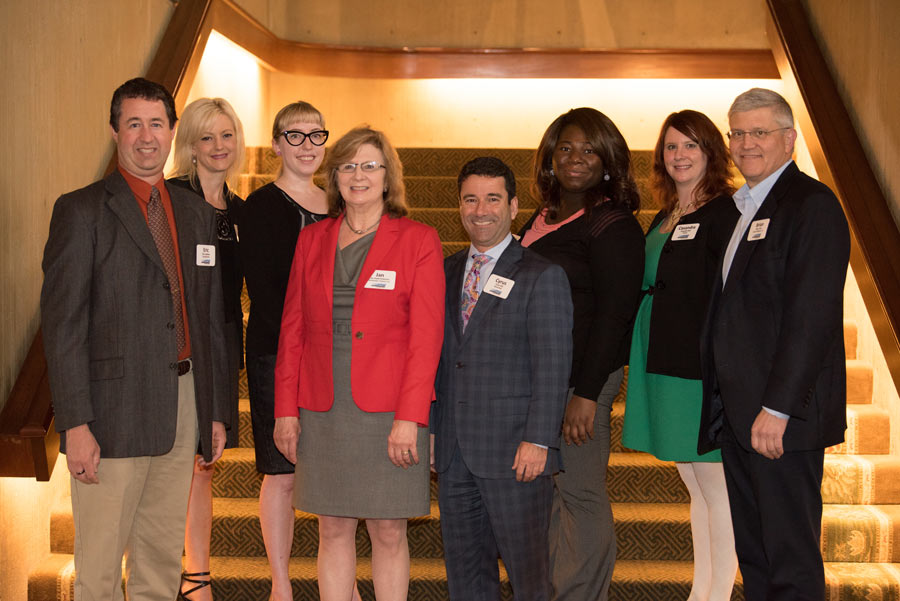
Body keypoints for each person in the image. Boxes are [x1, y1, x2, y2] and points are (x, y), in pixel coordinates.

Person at [40, 77, 229, 601]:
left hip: (183, 404)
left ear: (172, 133)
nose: (147, 137)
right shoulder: (80, 212)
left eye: (157, 124)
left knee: (162, 564)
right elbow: (64, 328)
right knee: (99, 571)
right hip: (109, 414)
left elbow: (209, 319)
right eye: (133, 124)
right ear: (114, 131)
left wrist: (213, 410)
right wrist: (75, 424)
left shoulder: (195, 213)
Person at [273, 126, 445, 601]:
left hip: (390, 409)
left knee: (389, 530)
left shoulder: (418, 240)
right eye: (347, 166)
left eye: (370, 165)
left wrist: (411, 418)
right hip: (323, 407)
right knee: (332, 529)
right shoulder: (312, 239)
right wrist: (285, 410)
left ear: (388, 177)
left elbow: (427, 338)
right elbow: (292, 333)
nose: (358, 175)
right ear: (334, 177)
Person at [698, 88, 850, 601]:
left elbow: (813, 318)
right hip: (741, 416)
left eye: (759, 132)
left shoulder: (811, 205)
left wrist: (778, 408)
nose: (745, 144)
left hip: (779, 419)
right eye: (737, 133)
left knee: (790, 560)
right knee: (757, 558)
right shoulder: (744, 207)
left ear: (789, 139)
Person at [433, 156, 573, 601]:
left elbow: (553, 365)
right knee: (466, 579)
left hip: (517, 455)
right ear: (459, 206)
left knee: (529, 579)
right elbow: (438, 361)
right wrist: (434, 431)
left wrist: (539, 439)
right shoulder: (444, 271)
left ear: (513, 207)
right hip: (455, 454)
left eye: (493, 199)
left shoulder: (542, 275)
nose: (481, 210)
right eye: (471, 199)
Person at [518, 108, 644, 601]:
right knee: (546, 492)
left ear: (608, 160)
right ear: (549, 156)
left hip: (580, 380)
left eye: (590, 149)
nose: (576, 158)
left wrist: (587, 395)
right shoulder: (543, 216)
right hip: (539, 379)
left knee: (579, 490)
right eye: (566, 147)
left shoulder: (612, 224)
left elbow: (616, 317)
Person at [621, 110, 740, 601]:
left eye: (690, 145)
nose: (679, 155)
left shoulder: (726, 211)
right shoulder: (665, 214)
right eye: (671, 147)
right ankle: (701, 590)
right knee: (694, 484)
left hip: (698, 363)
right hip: (660, 356)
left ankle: (717, 593)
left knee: (717, 487)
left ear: (711, 151)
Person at [238, 101, 330, 601]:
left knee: (332, 472)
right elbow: (268, 295)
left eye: (316, 135)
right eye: (295, 136)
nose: (307, 146)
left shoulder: (340, 201)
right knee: (282, 471)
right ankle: (280, 583)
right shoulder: (260, 207)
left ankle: (333, 579)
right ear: (276, 144)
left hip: (336, 358)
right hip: (279, 353)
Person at [166, 97, 245, 600]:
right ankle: (186, 575)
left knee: (204, 463)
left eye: (227, 135)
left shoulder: (241, 211)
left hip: (221, 349)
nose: (219, 146)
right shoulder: (170, 199)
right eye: (207, 137)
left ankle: (197, 573)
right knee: (175, 465)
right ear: (190, 146)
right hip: (176, 351)